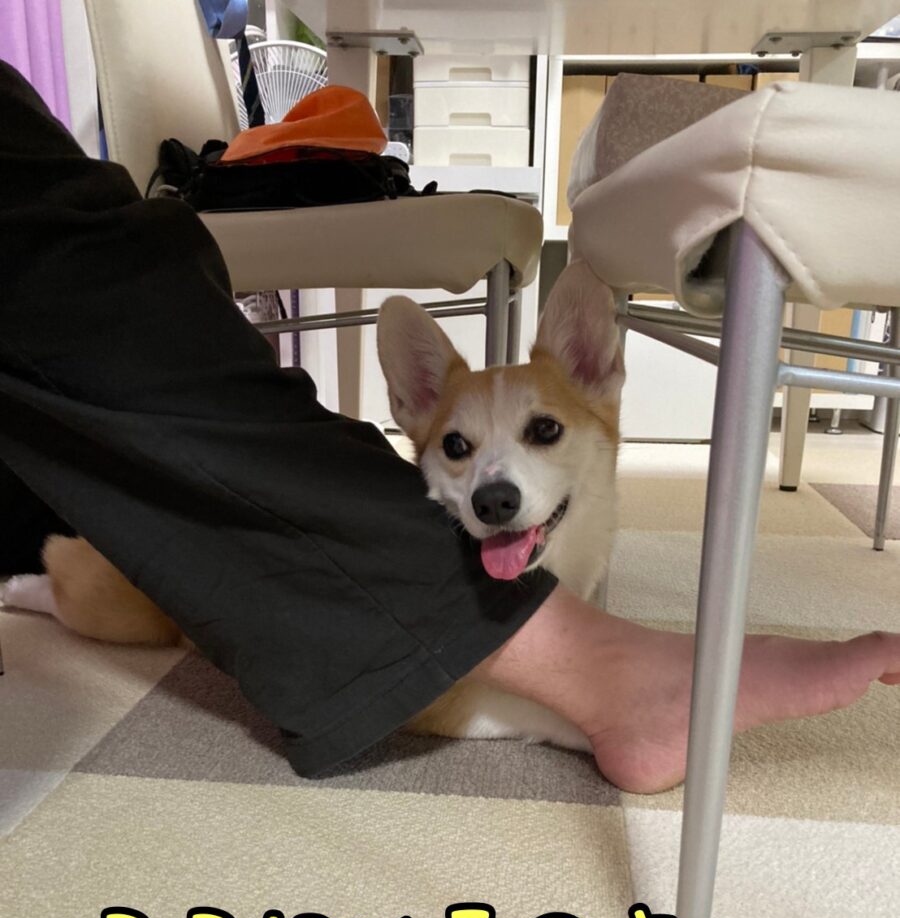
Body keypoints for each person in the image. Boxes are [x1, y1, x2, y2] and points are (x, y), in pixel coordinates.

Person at [1, 62, 897, 792]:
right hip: (130, 569)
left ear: (596, 382)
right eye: (459, 450)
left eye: (544, 434)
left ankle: (598, 666)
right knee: (99, 598)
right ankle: (613, 687)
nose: (493, 487)